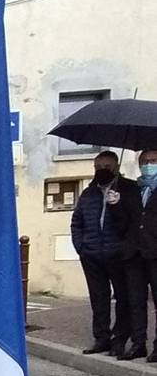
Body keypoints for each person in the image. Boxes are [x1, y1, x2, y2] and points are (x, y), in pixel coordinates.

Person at [70, 150, 140, 358]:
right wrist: (80, 247)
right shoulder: (89, 192)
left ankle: (119, 339)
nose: (102, 171)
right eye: (98, 167)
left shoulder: (128, 189)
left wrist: (116, 205)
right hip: (91, 254)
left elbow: (132, 222)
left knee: (123, 298)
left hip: (117, 254)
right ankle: (101, 338)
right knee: (98, 298)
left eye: (107, 167)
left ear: (117, 167)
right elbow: (77, 221)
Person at [130, 149, 157, 363]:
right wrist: (114, 205)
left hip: (155, 252)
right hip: (134, 253)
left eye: (153, 161)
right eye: (145, 161)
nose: (148, 165)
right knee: (136, 301)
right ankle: (138, 343)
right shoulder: (133, 189)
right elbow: (124, 222)